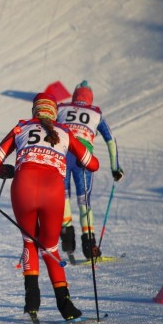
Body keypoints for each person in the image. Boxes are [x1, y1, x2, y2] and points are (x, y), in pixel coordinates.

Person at [0, 93, 99, 322]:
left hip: (23, 187)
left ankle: (32, 301)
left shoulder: (21, 127)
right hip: (53, 192)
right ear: (54, 112)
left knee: (29, 241)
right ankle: (65, 304)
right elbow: (93, 164)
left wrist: (6, 171)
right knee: (49, 247)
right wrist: (79, 158)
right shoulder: (65, 132)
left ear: (34, 111)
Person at [56, 80, 124, 260]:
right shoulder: (96, 113)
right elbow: (111, 140)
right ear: (90, 98)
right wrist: (115, 167)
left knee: (63, 197)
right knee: (84, 201)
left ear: (75, 96)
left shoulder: (61, 108)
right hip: (83, 157)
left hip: (62, 154)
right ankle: (89, 245)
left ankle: (67, 239)